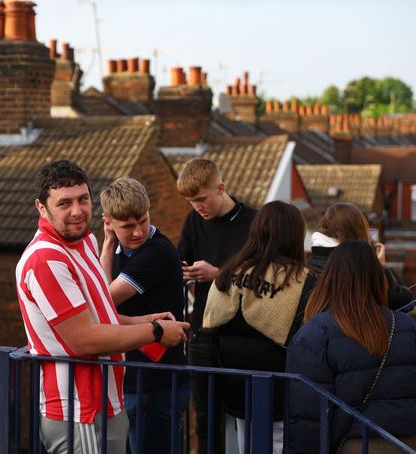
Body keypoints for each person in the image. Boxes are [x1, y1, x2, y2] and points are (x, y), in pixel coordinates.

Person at [16, 160, 190, 454]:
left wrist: (141, 322)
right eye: (64, 203)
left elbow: (100, 316)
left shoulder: (85, 241)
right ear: (41, 208)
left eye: (83, 199)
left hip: (108, 400)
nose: (77, 211)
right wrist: (156, 331)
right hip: (78, 409)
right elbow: (84, 339)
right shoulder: (46, 259)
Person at [286, 240, 416, 453]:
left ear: (330, 279)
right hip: (409, 445)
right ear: (378, 278)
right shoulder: (405, 325)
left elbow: (307, 415)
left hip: (354, 445)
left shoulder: (315, 333)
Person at [202, 201, 309, 454]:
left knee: (245, 445)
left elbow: (209, 327)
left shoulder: (228, 273)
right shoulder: (304, 281)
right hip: (282, 391)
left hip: (235, 388)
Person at [98, 177, 190, 454]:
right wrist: (107, 245)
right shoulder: (116, 249)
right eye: (127, 226)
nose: (137, 232)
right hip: (132, 379)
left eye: (143, 220)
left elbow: (102, 302)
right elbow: (101, 301)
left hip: (156, 382)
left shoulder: (156, 252)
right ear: (108, 222)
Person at [176, 158, 257, 453]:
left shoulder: (254, 221)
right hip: (203, 333)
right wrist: (182, 270)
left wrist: (217, 274)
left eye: (201, 199)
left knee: (247, 416)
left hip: (244, 333)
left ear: (221, 188)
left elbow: (263, 279)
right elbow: (180, 260)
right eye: (191, 202)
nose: (197, 207)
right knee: (206, 417)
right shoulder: (194, 221)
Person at [304, 202, 412, 310]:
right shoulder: (363, 266)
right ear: (357, 230)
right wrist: (380, 267)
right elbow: (402, 301)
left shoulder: (310, 262)